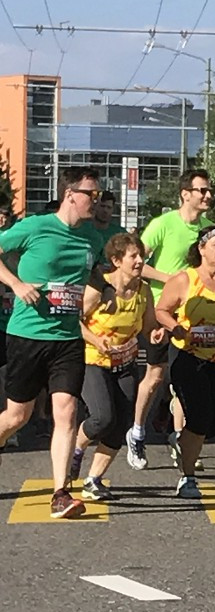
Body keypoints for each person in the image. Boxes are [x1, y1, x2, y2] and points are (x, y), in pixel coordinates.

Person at [0, 167, 108, 518]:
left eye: (99, 195)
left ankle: (61, 493)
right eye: (91, 194)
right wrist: (15, 284)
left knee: (67, 412)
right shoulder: (36, 227)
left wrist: (103, 292)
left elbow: (96, 273)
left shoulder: (92, 237)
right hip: (28, 334)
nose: (97, 201)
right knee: (17, 416)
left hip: (67, 338)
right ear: (70, 194)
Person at [124, 169, 214, 471]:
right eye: (201, 190)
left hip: (194, 315)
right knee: (157, 375)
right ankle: (136, 431)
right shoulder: (162, 224)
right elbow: (138, 265)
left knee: (188, 379)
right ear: (185, 193)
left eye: (209, 190)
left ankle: (181, 438)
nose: (208, 196)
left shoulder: (208, 230)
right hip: (161, 311)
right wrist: (171, 279)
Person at [155, 226, 215, 498]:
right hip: (188, 355)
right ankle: (187, 477)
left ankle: (182, 441)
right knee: (199, 417)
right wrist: (176, 328)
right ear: (201, 249)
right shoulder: (184, 280)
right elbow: (161, 310)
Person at [72, 233, 164, 500]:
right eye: (133, 256)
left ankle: (93, 480)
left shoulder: (143, 290)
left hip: (125, 361)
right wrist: (95, 339)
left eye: (141, 256)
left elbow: (148, 327)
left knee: (120, 422)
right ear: (116, 260)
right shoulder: (101, 286)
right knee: (102, 417)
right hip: (94, 359)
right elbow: (75, 322)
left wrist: (156, 334)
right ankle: (76, 451)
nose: (139, 261)